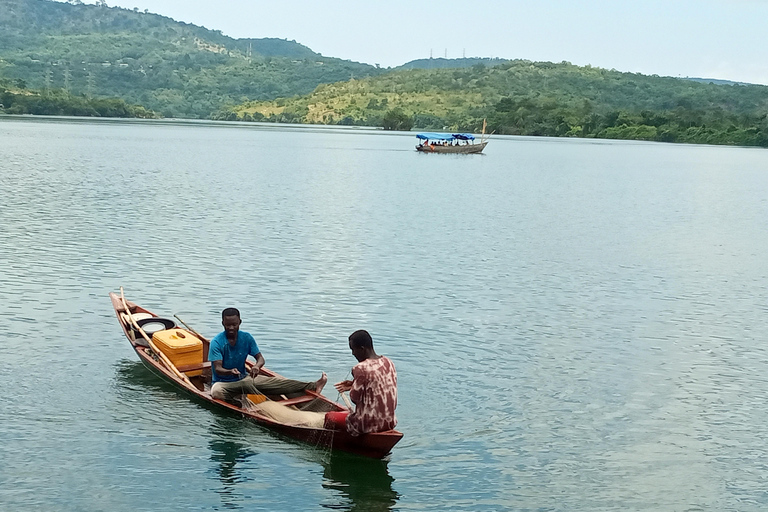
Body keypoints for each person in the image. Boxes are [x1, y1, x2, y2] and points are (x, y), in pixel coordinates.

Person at [209, 307, 326, 402]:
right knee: (216, 392)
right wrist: (230, 372)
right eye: (227, 325)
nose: (231, 328)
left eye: (234, 325)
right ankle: (238, 403)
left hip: (244, 379)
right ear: (222, 323)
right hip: (223, 383)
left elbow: (260, 358)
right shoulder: (217, 342)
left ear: (240, 322)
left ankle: (314, 385)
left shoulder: (246, 337)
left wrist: (256, 366)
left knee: (278, 383)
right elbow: (218, 368)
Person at [325, 329, 397, 435]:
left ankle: (344, 443)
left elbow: (355, 398)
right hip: (389, 422)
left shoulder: (360, 368)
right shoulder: (389, 363)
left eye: (353, 349)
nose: (353, 353)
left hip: (366, 425)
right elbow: (378, 384)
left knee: (329, 417)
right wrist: (354, 383)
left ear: (362, 349)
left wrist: (354, 387)